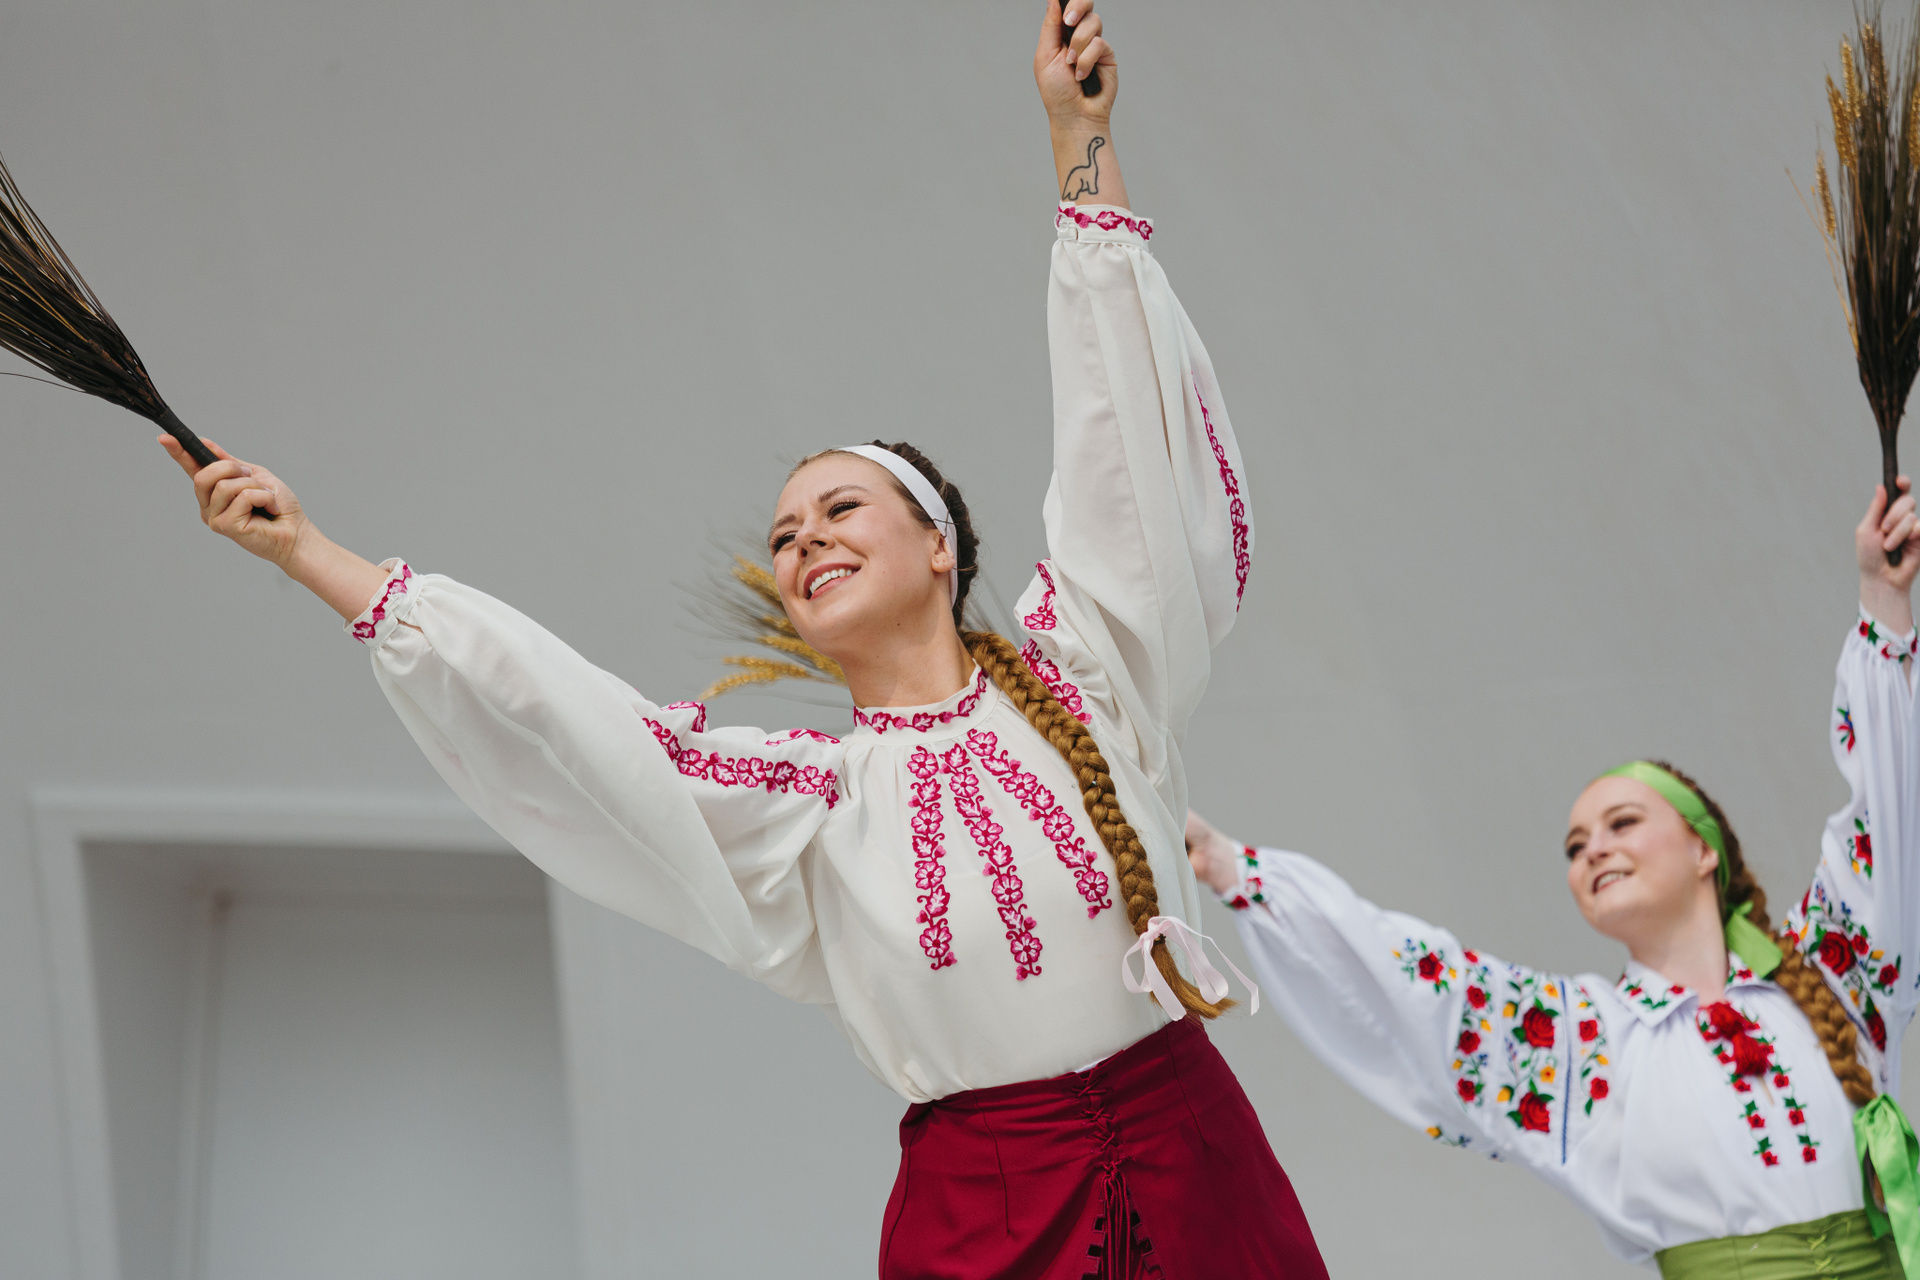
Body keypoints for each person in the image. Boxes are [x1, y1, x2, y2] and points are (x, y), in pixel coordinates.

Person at [163, 4, 1327, 1276]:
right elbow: (566, 722)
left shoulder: (1089, 669)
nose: (806, 537)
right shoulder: (810, 808)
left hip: (1195, 1161)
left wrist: (1075, 140)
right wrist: (309, 551)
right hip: (986, 1217)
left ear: (940, 544)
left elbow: (1121, 457)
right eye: (784, 534)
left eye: (841, 509)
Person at [1187, 482, 1920, 1278]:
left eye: (1622, 823)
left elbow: (1890, 816)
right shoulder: (1576, 1047)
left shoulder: (1835, 972)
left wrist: (1884, 601)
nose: (1593, 851)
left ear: (1704, 849)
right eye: (1574, 846)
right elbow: (1412, 978)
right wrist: (1235, 870)